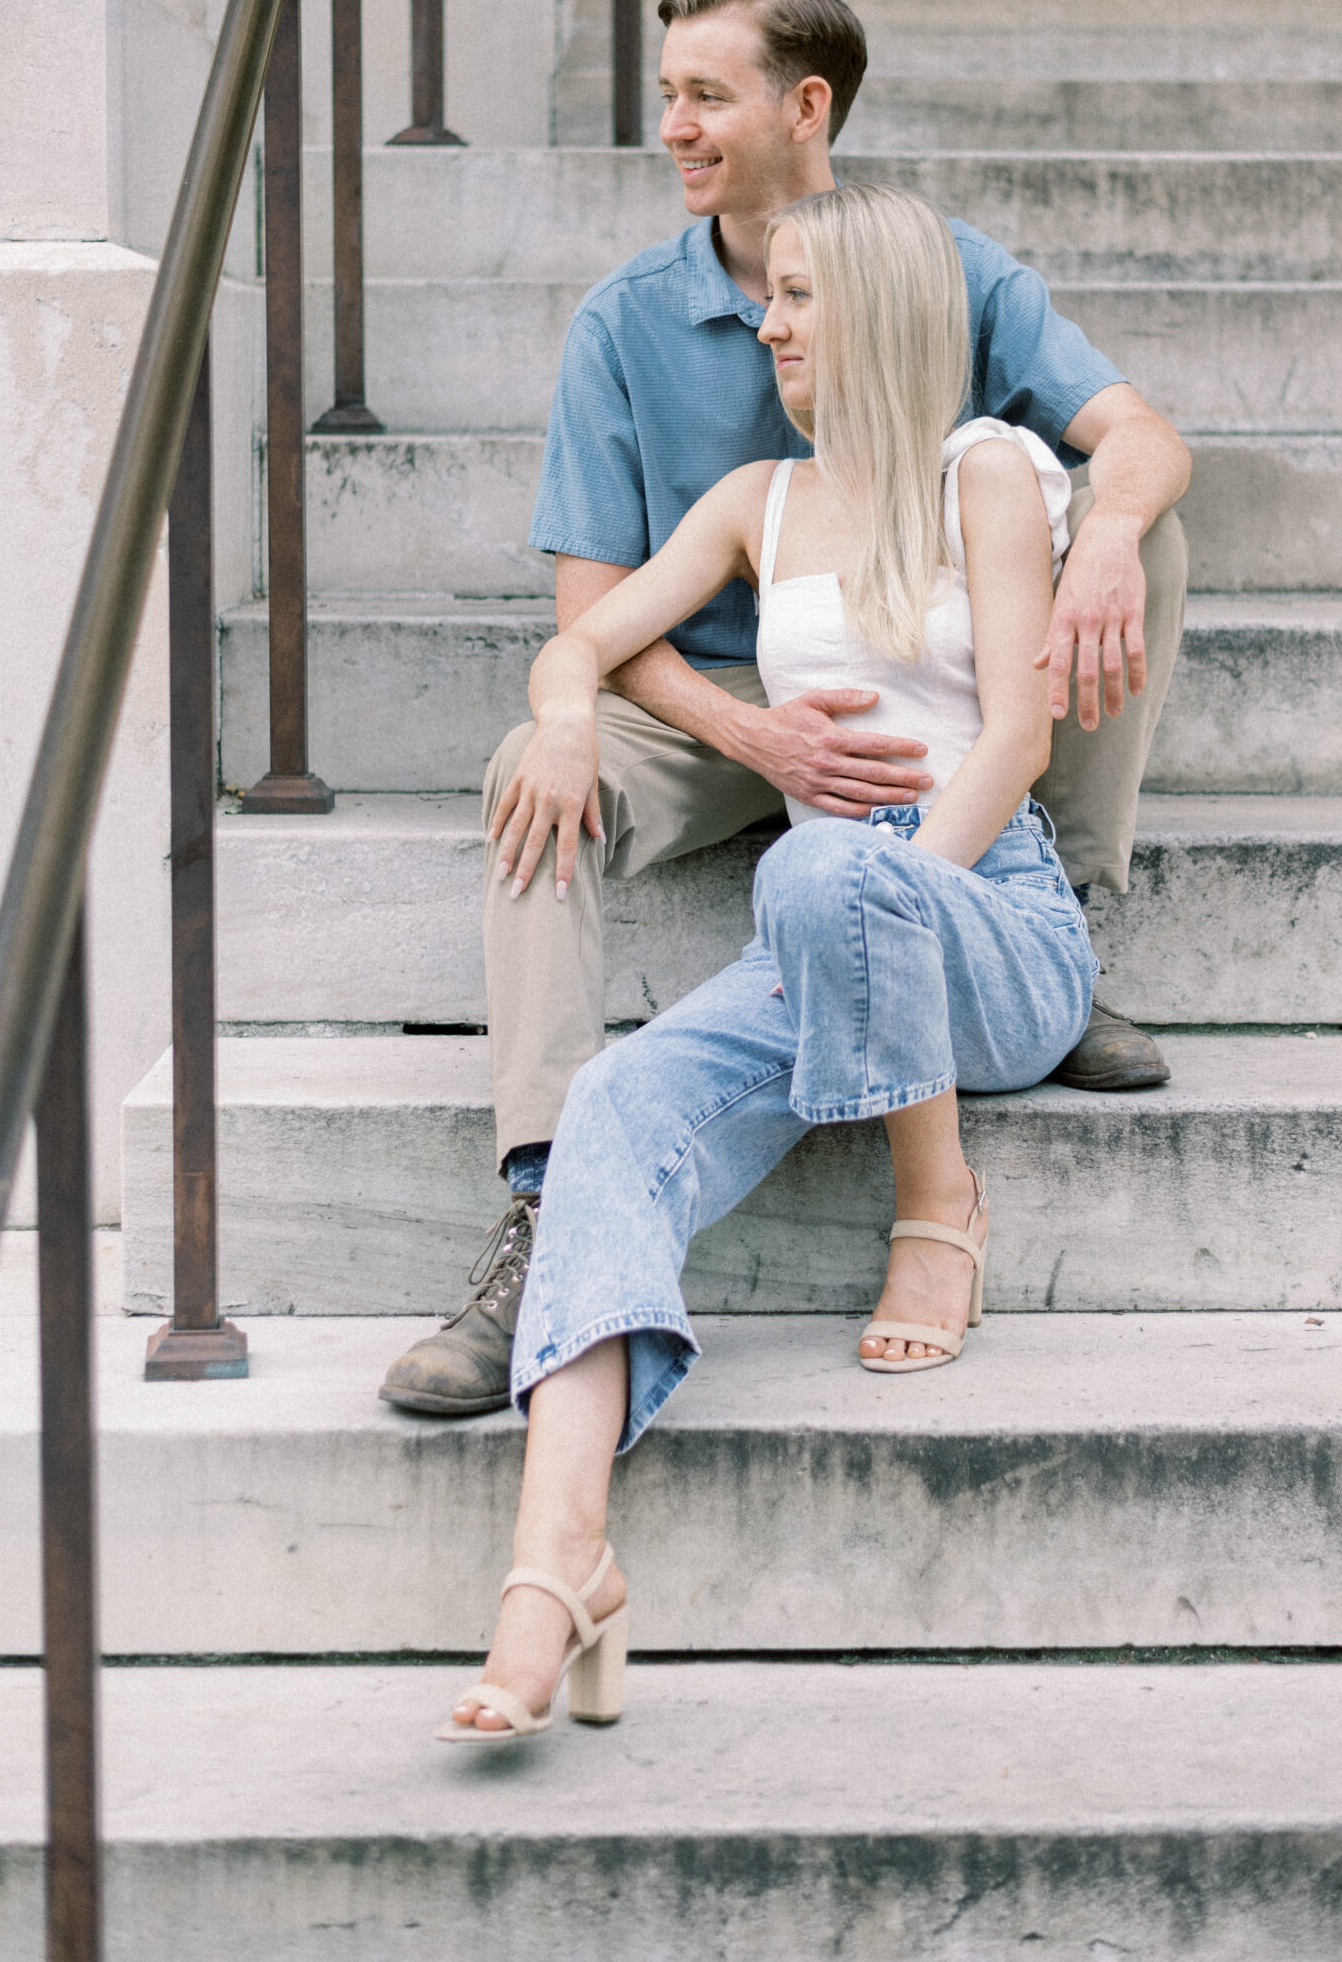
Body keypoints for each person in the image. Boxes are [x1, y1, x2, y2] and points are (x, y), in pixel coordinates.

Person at [382, 0, 1191, 1420]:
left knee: (1147, 533)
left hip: (929, 715)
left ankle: (1045, 914)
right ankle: (544, 1191)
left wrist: (1111, 533)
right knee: (530, 769)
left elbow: (1132, 435)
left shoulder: (922, 266)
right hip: (702, 700)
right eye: (666, 97)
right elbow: (588, 624)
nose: (673, 130)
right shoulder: (629, 324)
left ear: (803, 107)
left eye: (704, 96)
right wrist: (727, 727)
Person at [438, 186, 1102, 1743]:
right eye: (767, 297)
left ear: (875, 310)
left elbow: (1015, 735)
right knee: (607, 1104)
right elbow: (583, 643)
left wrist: (877, 901)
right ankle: (558, 1564)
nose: (770, 323)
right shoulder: (757, 499)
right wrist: (555, 712)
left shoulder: (988, 471)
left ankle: (938, 1205)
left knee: (816, 868)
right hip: (820, 932)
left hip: (989, 920)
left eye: (798, 297)